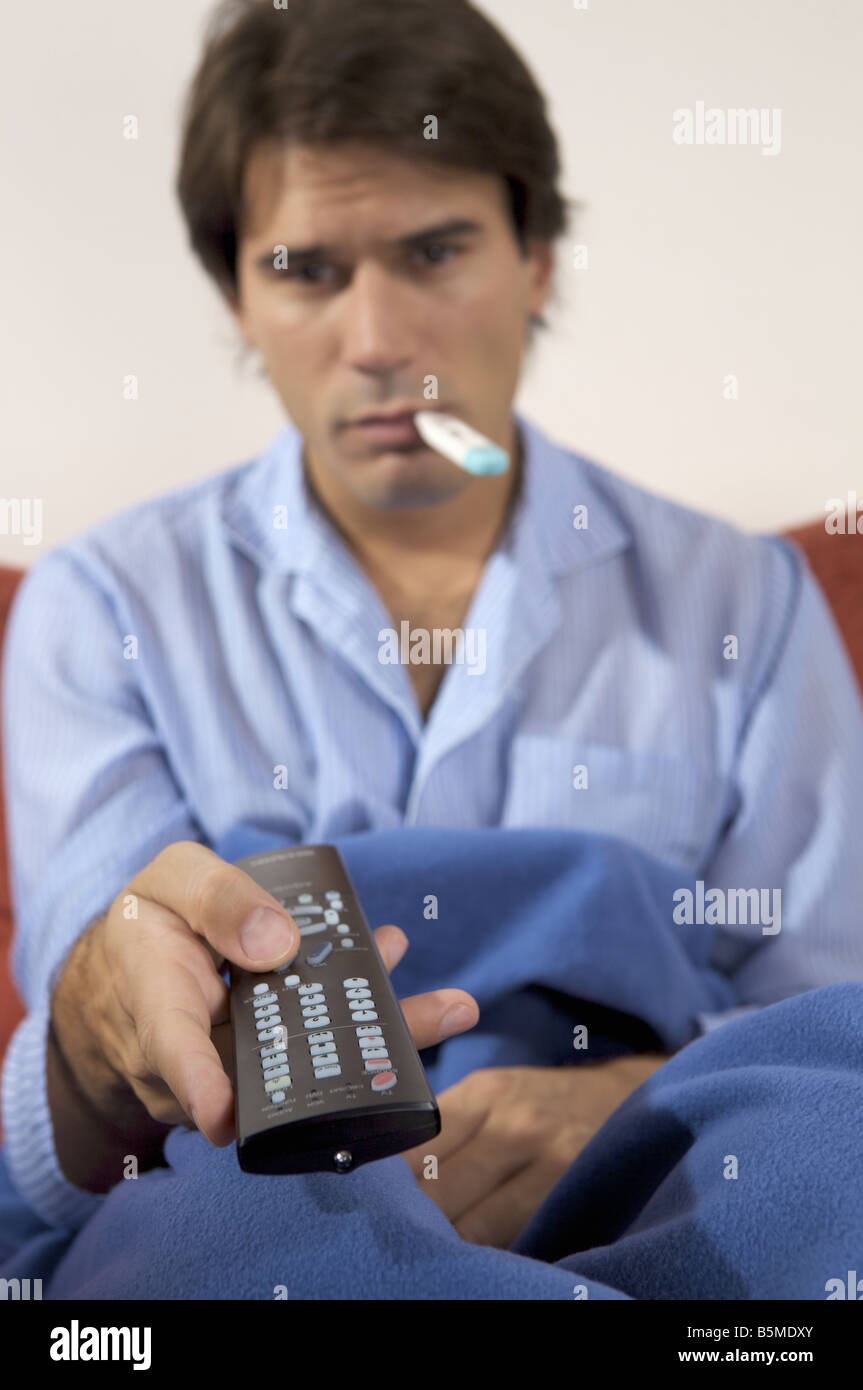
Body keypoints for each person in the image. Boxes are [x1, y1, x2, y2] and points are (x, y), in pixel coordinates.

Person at [2, 0, 863, 1265]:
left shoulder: (742, 604)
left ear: (537, 262)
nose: (378, 343)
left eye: (434, 252)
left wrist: (617, 1101)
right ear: (237, 298)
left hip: (660, 1179)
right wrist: (100, 1022)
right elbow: (99, 1074)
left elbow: (821, 1033)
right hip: (274, 1195)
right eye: (306, 270)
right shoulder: (107, 609)